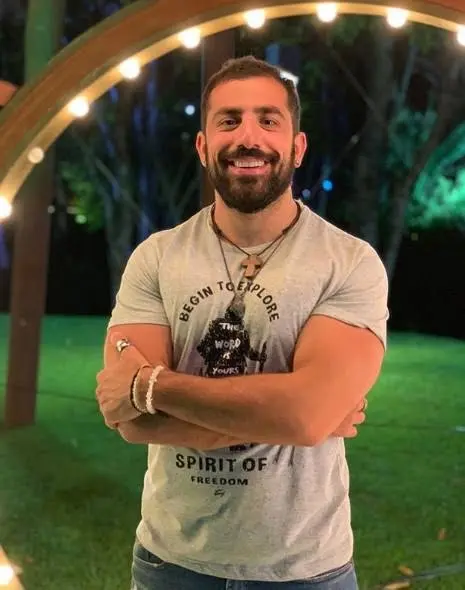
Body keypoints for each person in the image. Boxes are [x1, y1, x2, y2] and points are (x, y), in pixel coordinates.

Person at [96, 55, 389, 590]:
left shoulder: (348, 262)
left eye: (268, 120)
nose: (247, 137)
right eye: (228, 121)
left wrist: (150, 386)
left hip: (305, 570)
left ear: (297, 147)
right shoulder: (156, 258)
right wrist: (293, 414)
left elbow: (304, 416)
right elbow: (133, 422)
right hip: (171, 563)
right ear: (203, 145)